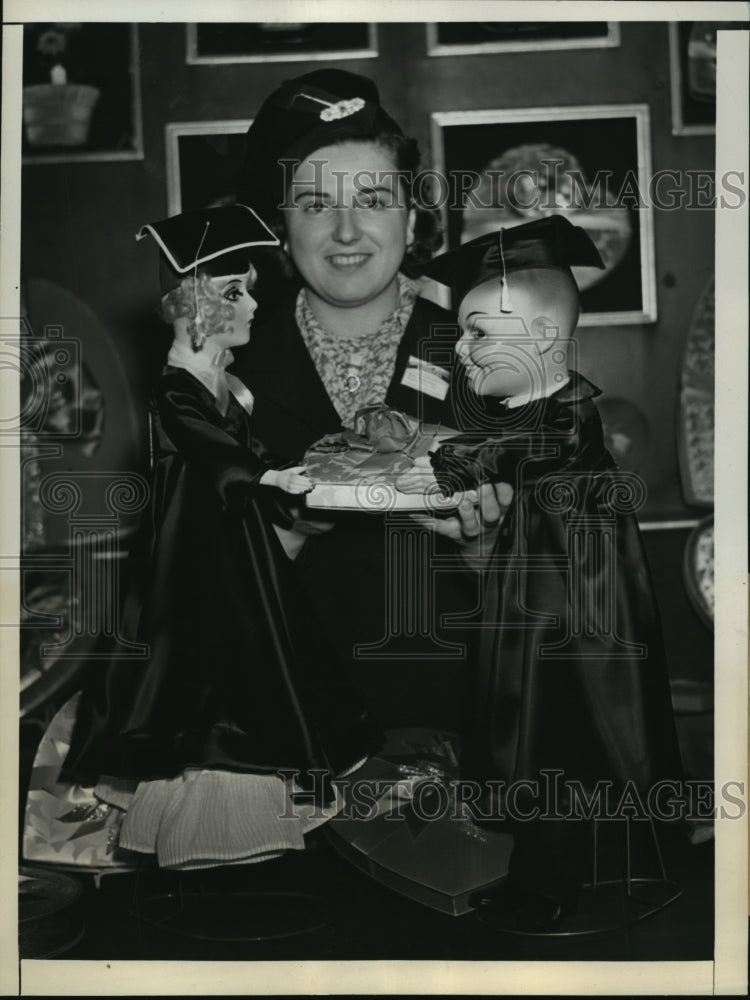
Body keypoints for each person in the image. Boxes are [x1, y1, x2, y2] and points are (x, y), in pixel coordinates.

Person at [56, 205, 383, 870]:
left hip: (234, 554)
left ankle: (236, 834)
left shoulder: (228, 386)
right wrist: (266, 477)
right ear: (194, 308)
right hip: (194, 568)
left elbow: (248, 450)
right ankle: (207, 839)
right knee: (204, 687)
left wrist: (302, 471)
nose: (253, 304)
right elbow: (217, 455)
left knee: (249, 674)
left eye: (250, 289)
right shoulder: (178, 391)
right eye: (236, 292)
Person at [397, 215, 683, 931]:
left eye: (479, 334)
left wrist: (422, 462)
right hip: (534, 604)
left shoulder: (566, 417)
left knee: (562, 744)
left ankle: (564, 882)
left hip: (576, 620)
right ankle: (533, 874)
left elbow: (494, 456)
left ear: (546, 338)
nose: (461, 351)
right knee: (526, 740)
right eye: (461, 332)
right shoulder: (521, 417)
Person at [232, 69, 510, 731]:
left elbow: (580, 601)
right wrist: (282, 535)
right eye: (315, 204)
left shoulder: (497, 360)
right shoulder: (224, 374)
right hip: (284, 739)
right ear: (281, 226)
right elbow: (177, 613)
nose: (347, 230)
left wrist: (489, 549)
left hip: (468, 734)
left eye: (374, 199)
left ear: (411, 218)